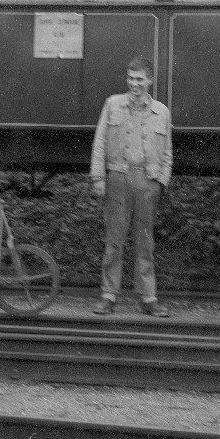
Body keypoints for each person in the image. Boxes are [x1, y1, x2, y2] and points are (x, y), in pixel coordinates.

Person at [89, 56, 173, 317]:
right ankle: (108, 295)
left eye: (139, 79)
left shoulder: (161, 111)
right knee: (114, 240)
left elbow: (168, 150)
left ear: (149, 81)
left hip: (147, 181)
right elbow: (100, 141)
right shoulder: (113, 105)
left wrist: (161, 181)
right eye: (130, 78)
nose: (134, 84)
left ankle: (148, 298)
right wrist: (98, 178)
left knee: (145, 242)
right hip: (118, 178)